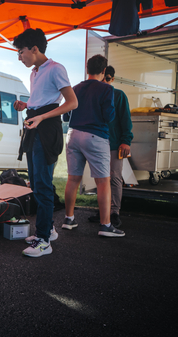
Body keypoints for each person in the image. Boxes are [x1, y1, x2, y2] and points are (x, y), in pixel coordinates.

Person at [12, 28, 78, 258]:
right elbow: (40, 99)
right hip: (34, 125)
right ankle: (48, 230)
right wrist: (27, 105)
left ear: (34, 49)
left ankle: (43, 241)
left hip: (47, 129)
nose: (19, 57)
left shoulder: (56, 68)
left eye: (21, 52)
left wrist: (41, 116)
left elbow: (72, 102)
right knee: (37, 183)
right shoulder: (34, 72)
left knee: (42, 183)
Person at [63, 55, 124, 238]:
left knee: (73, 179)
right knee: (103, 181)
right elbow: (109, 116)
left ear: (87, 68)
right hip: (95, 136)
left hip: (73, 135)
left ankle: (69, 219)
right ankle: (105, 225)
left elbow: (66, 117)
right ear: (104, 71)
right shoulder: (107, 89)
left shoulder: (76, 88)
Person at [88, 65, 133, 228]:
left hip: (115, 144)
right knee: (100, 179)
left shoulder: (119, 95)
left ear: (112, 79)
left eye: (108, 78)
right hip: (97, 143)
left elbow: (125, 120)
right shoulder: (95, 94)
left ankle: (114, 212)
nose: (105, 81)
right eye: (103, 78)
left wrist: (126, 141)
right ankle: (102, 212)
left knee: (114, 177)